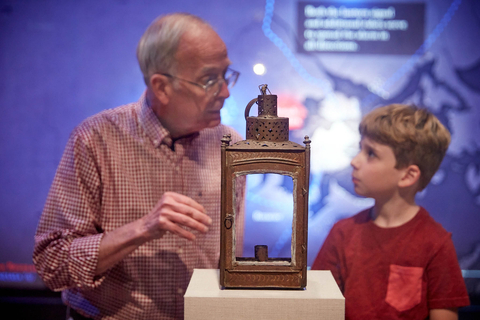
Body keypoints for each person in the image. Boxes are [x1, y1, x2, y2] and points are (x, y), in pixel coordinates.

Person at [33, 13, 245, 320]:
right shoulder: (95, 139)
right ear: (161, 87)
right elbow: (52, 264)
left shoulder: (231, 146)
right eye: (210, 80)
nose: (226, 91)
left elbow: (229, 264)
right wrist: (143, 229)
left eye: (227, 75)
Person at [311, 104, 470, 320]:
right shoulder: (342, 234)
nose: (354, 161)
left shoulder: (435, 244)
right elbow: (317, 309)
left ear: (407, 175)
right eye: (360, 149)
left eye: (371, 153)